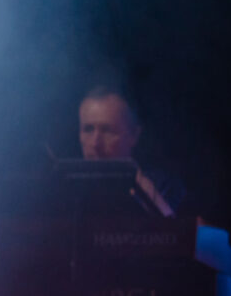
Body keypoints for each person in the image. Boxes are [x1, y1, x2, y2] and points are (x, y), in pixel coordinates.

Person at [77, 84, 190, 218]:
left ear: (134, 135)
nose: (95, 143)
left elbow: (176, 231)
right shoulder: (65, 191)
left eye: (107, 131)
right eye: (88, 129)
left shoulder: (164, 187)